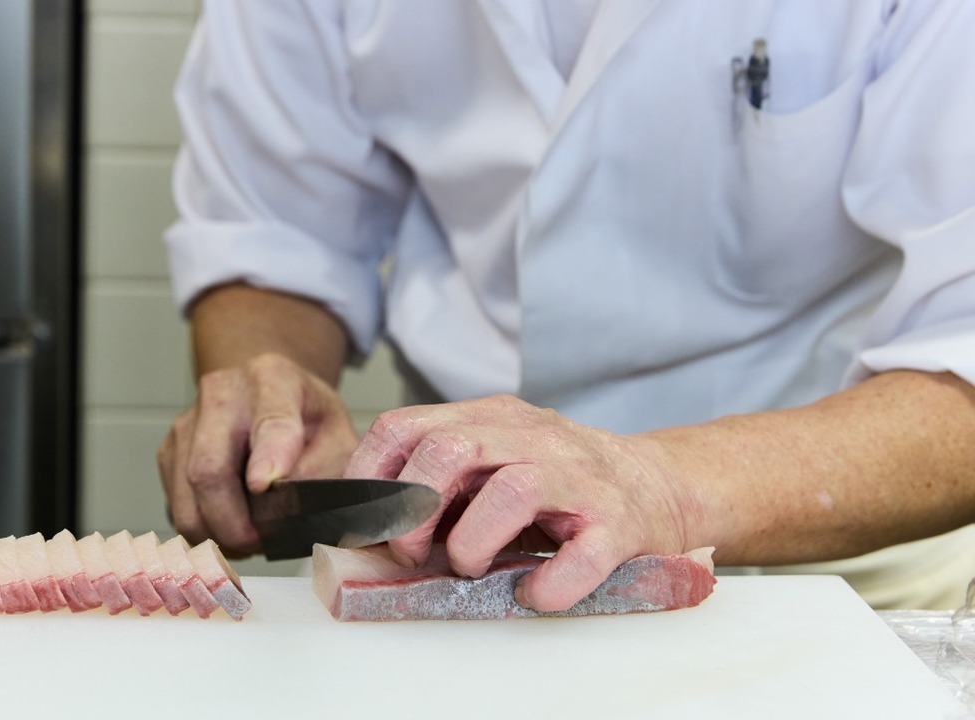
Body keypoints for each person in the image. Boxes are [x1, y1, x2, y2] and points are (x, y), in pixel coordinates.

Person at [156, 0, 975, 611]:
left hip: (832, 574)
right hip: (462, 558)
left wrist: (663, 484)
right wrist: (271, 388)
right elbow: (272, 234)